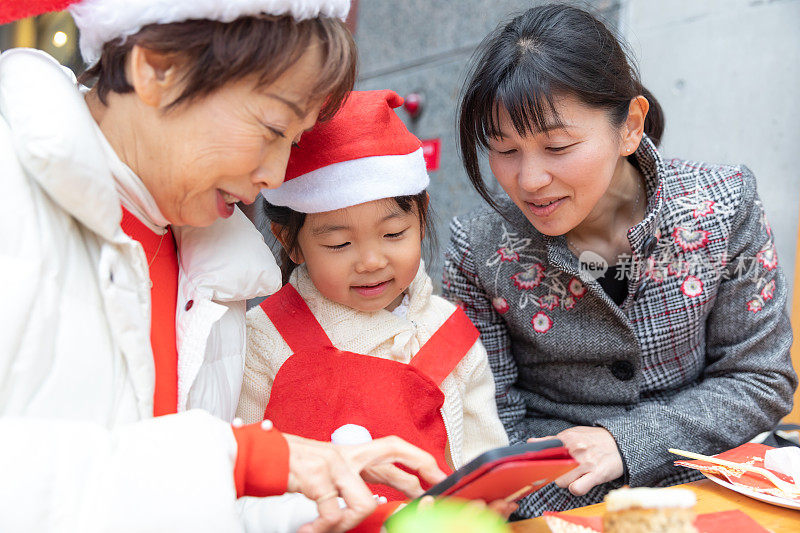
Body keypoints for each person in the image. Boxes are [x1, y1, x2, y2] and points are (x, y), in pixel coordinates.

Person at [0, 2, 447, 532]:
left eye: (294, 141)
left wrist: (332, 513)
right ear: (158, 69)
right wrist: (249, 457)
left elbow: (184, 507)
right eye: (270, 128)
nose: (275, 173)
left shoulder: (218, 271)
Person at [444, 3, 797, 518]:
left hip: (708, 488)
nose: (529, 179)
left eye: (558, 146)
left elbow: (760, 380)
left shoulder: (722, 206)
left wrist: (627, 441)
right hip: (552, 498)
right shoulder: (478, 248)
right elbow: (489, 420)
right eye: (504, 149)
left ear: (630, 126)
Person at [237, 90, 512, 526]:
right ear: (291, 242)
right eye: (339, 244)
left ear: (420, 218)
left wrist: (489, 495)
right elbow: (240, 466)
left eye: (393, 234)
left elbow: (481, 456)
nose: (370, 261)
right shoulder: (263, 338)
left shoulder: (449, 335)